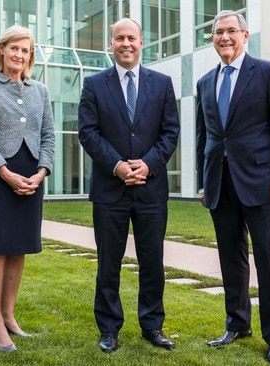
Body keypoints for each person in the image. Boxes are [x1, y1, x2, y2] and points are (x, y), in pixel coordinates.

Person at [195, 10, 270, 366]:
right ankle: (237, 323)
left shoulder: (268, 72)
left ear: (245, 35)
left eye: (231, 31)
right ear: (212, 38)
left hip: (262, 184)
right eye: (218, 32)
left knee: (268, 259)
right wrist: (203, 180)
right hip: (220, 184)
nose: (224, 37)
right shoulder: (205, 82)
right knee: (230, 258)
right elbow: (203, 136)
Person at [78, 18, 180, 353]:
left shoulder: (162, 84)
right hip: (110, 191)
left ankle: (152, 326)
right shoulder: (93, 85)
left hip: (151, 190)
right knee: (109, 263)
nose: (126, 44)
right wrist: (118, 166)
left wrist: (148, 164)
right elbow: (88, 133)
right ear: (111, 44)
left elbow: (170, 132)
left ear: (141, 42)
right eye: (119, 38)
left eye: (132, 38)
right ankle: (109, 328)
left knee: (153, 262)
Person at [0, 25, 55, 353]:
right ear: (2, 49)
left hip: (31, 178)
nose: (20, 55)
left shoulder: (41, 91)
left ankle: (9, 315)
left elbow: (49, 134)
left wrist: (43, 172)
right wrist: (4, 173)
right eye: (14, 48)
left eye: (26, 50)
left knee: (19, 248)